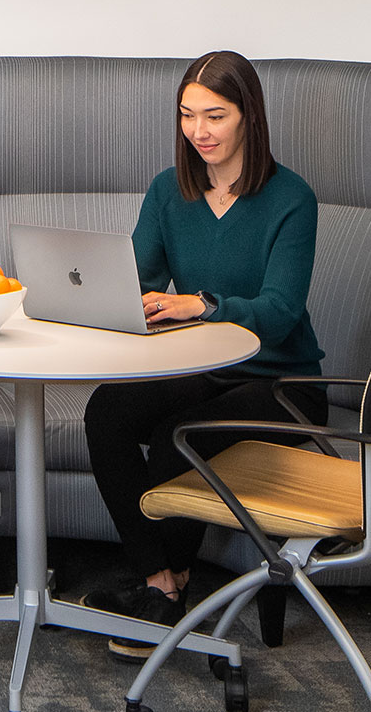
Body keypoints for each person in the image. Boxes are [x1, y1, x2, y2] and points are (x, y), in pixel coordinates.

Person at [81, 50, 327, 660]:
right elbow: (137, 275)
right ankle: (161, 579)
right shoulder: (171, 190)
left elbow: (279, 311)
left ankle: (165, 594)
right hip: (201, 367)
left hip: (281, 380)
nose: (199, 132)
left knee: (175, 436)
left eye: (214, 116)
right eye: (188, 116)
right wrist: (123, 298)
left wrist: (201, 304)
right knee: (106, 414)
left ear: (250, 116)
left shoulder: (292, 198)